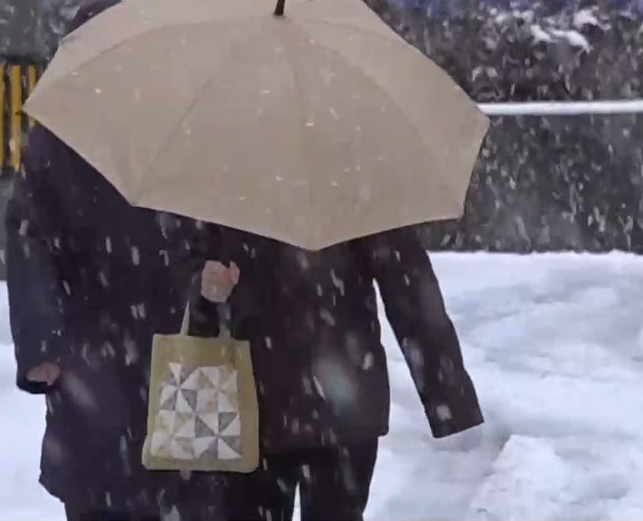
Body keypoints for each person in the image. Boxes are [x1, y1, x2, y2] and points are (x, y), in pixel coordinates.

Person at [6, 2, 224, 521]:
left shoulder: (173, 135)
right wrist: (42, 342)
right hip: (114, 354)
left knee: (155, 487)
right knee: (112, 489)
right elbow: (30, 242)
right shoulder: (62, 142)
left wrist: (209, 288)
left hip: (150, 352)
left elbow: (28, 240)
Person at [187, 223, 484, 521]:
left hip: (339, 408)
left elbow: (407, 282)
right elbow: (183, 262)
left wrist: (447, 391)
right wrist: (202, 289)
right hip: (257, 405)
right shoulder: (228, 190)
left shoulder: (354, 187)